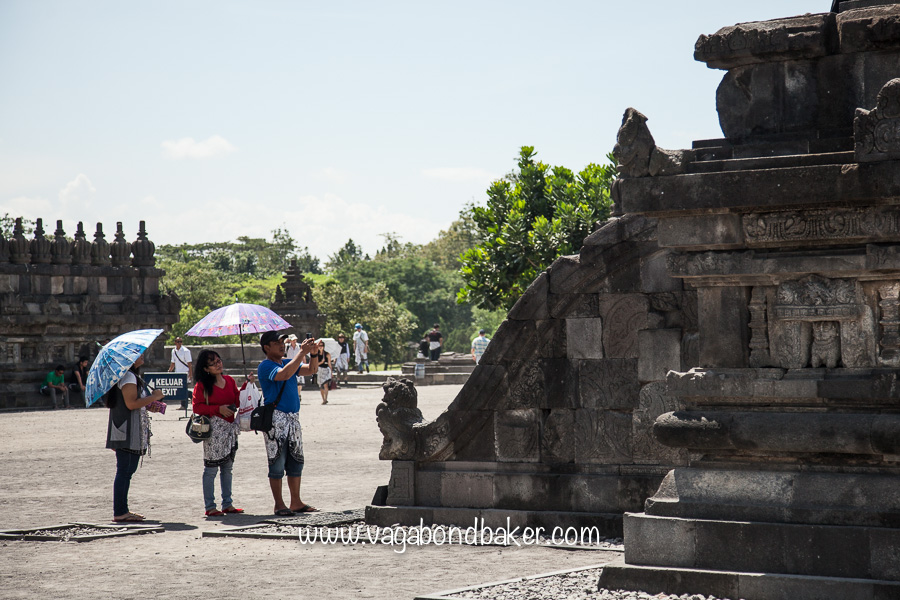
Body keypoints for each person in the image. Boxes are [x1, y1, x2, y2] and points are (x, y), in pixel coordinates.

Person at [257, 330, 320, 516]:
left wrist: (313, 353)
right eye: (277, 343)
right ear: (266, 347)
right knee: (277, 462)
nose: (282, 345)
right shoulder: (265, 366)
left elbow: (312, 370)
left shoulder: (286, 362)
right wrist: (301, 352)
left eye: (282, 342)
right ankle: (279, 503)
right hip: (276, 419)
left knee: (295, 461)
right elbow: (284, 375)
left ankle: (296, 501)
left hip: (293, 418)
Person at [192, 349, 252, 517]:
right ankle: (210, 506)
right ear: (206, 369)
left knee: (227, 468)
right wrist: (218, 408)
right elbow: (197, 407)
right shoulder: (202, 386)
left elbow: (237, 400)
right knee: (211, 469)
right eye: (213, 363)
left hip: (230, 429)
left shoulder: (230, 381)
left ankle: (227, 503)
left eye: (218, 360)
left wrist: (247, 386)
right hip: (213, 431)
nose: (218, 364)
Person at [106, 354, 165, 522]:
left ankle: (122, 510)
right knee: (125, 470)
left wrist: (152, 403)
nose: (143, 355)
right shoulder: (128, 376)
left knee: (127, 470)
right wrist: (154, 397)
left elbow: (137, 402)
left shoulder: (131, 376)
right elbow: (131, 404)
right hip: (128, 429)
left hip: (127, 428)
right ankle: (120, 511)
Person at [168, 337, 193, 409]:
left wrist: (190, 374)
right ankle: (190, 398)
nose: (179, 343)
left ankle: (184, 405)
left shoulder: (186, 351)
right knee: (180, 388)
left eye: (181, 341)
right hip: (177, 372)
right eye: (178, 341)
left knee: (183, 388)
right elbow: (173, 362)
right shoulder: (173, 351)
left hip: (185, 372)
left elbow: (189, 363)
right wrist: (169, 371)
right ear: (175, 342)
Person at [312, 340, 333, 405]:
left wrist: (331, 372)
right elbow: (314, 364)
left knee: (325, 384)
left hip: (326, 369)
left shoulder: (327, 354)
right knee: (321, 386)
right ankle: (323, 398)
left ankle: (326, 399)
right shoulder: (316, 354)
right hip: (319, 370)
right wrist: (321, 362)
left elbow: (329, 364)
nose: (321, 347)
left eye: (322, 346)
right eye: (319, 346)